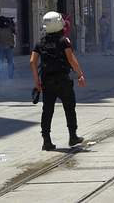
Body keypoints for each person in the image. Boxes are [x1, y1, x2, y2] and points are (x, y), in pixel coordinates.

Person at [30, 11, 86, 150]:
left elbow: (32, 61)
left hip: (47, 81)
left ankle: (46, 141)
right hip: (63, 80)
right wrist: (80, 75)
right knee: (69, 107)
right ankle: (73, 136)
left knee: (47, 110)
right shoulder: (63, 41)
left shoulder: (40, 42)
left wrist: (37, 82)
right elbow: (71, 59)